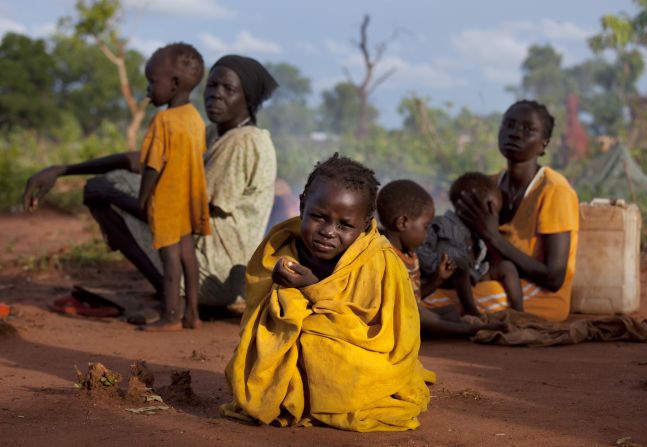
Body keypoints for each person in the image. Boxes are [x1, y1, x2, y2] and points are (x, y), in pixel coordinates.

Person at [23, 54, 279, 317]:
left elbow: (187, 212)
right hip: (211, 264)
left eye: (229, 88)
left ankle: (174, 299)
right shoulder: (215, 133)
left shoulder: (242, 142)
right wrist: (64, 170)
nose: (216, 94)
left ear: (247, 98)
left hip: (215, 272)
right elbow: (141, 160)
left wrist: (112, 195)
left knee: (110, 188)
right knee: (116, 182)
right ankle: (177, 296)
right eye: (212, 86)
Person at [223, 154, 435, 432]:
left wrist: (313, 289)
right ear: (302, 205)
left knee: (314, 338)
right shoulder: (280, 245)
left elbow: (393, 337)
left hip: (359, 360)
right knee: (285, 309)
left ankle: (321, 398)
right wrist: (285, 293)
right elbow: (258, 307)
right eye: (319, 217)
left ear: (365, 222)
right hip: (302, 364)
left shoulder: (379, 261)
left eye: (344, 225)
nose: (328, 232)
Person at [452, 100, 579, 322]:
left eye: (528, 130)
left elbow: (554, 277)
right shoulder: (489, 185)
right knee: (431, 292)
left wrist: (493, 236)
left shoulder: (554, 190)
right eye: (509, 125)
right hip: (493, 281)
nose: (515, 134)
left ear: (543, 144)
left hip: (541, 295)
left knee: (438, 302)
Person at [136, 43, 210, 331]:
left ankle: (170, 316)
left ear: (175, 83)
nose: (148, 90)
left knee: (170, 261)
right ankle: (193, 314)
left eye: (152, 82)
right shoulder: (195, 118)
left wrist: (142, 199)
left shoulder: (163, 120)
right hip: (190, 199)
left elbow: (153, 165)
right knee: (188, 257)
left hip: (167, 200)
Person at [376, 179, 507, 336]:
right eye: (425, 227)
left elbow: (414, 296)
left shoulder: (409, 254)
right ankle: (469, 330)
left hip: (410, 312)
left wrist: (438, 278)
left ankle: (450, 326)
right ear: (403, 223)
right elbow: (401, 305)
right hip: (391, 319)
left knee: (450, 311)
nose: (427, 235)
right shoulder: (384, 257)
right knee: (418, 313)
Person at [418, 172, 523, 316]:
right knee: (459, 264)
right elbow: (421, 248)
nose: (493, 216)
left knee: (507, 267)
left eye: (495, 212)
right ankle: (471, 311)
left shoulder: (480, 235)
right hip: (444, 275)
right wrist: (437, 267)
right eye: (490, 209)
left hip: (473, 275)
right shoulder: (441, 223)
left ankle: (519, 312)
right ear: (464, 205)